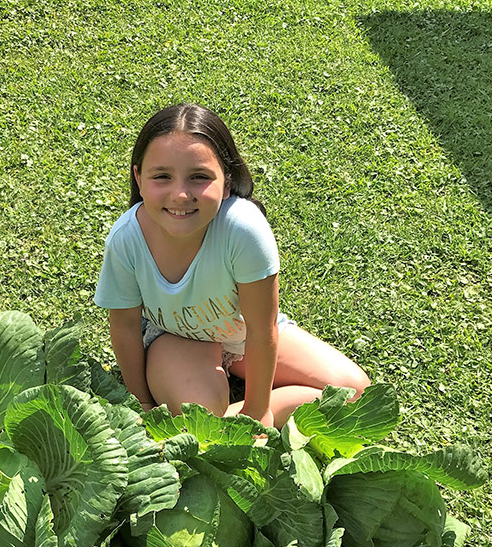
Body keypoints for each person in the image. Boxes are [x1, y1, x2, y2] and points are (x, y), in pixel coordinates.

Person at [94, 103, 369, 429]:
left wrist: (257, 410)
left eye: (199, 177)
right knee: (203, 411)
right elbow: (124, 326)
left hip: (240, 336)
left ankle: (231, 421)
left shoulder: (243, 228)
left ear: (227, 182)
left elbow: (261, 328)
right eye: (162, 177)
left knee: (353, 390)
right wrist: (141, 401)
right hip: (174, 337)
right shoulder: (128, 238)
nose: (180, 194)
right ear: (139, 178)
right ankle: (214, 420)